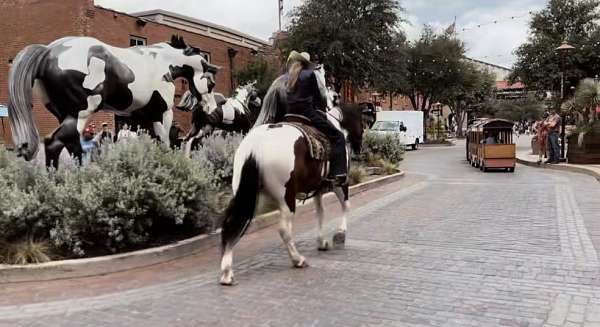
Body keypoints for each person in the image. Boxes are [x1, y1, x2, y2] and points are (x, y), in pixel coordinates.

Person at [285, 50, 347, 185]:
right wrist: (322, 110)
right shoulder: (310, 74)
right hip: (307, 113)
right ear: (306, 64)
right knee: (338, 136)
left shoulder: (288, 76)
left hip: (289, 114)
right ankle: (337, 173)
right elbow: (318, 97)